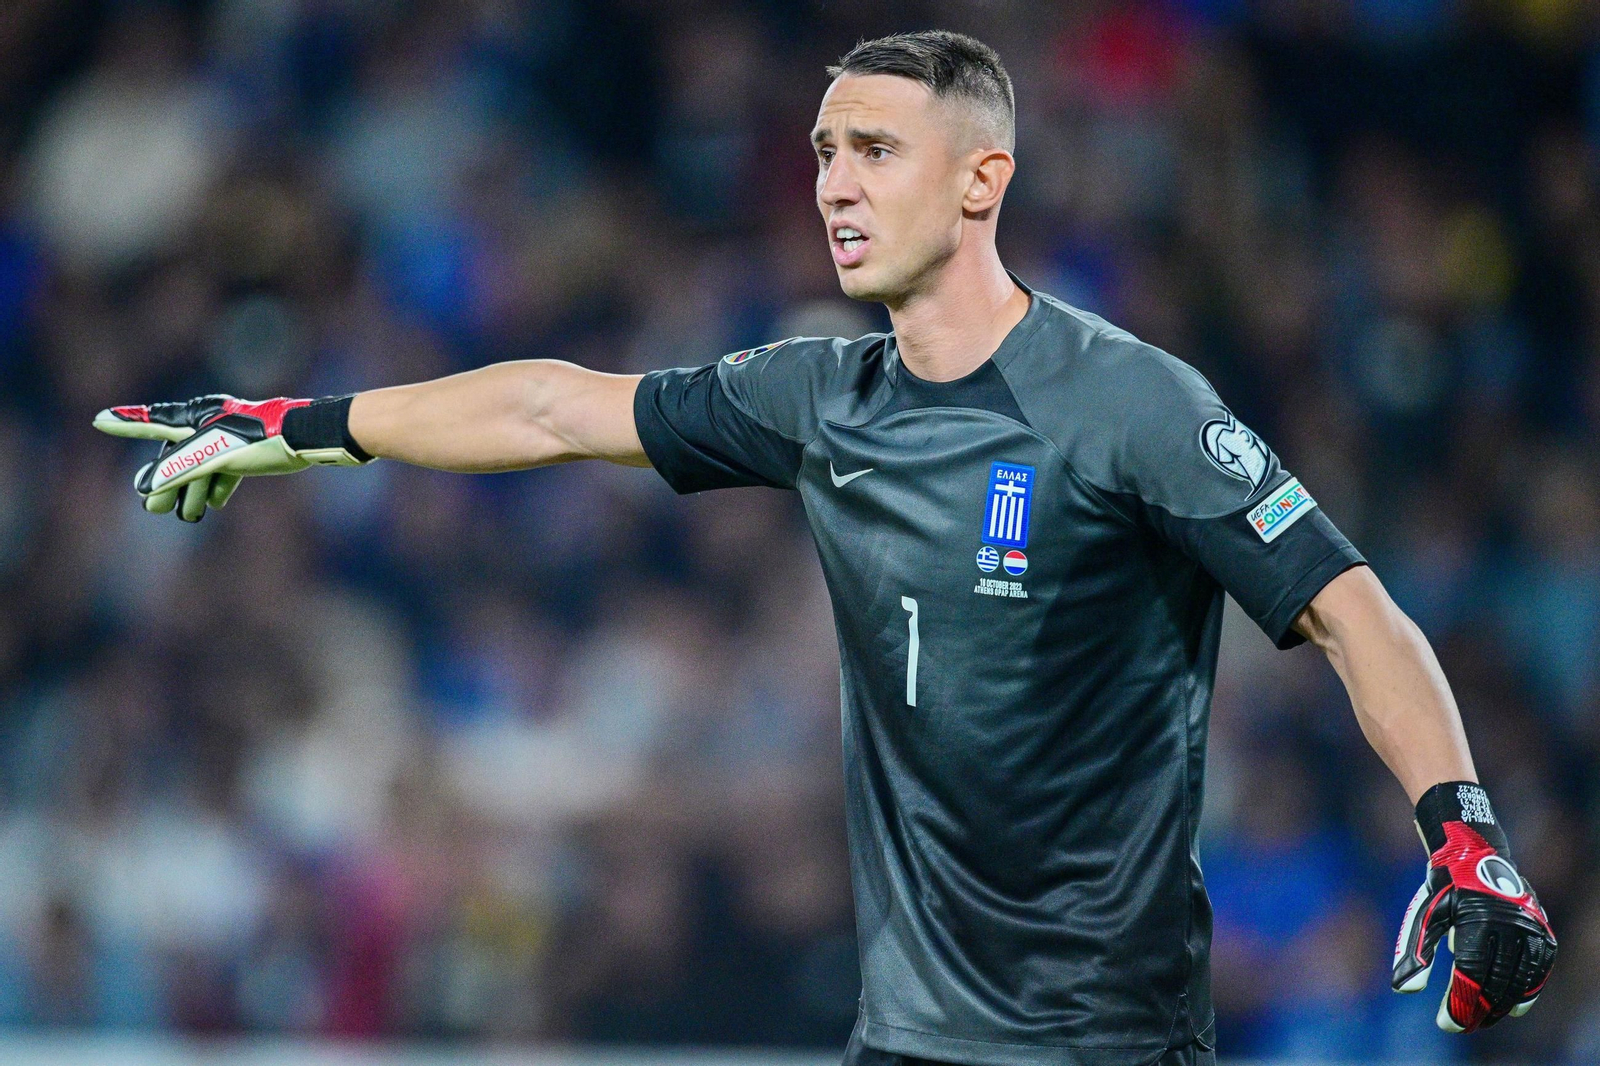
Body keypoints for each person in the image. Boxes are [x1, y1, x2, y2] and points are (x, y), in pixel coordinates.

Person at [96, 30, 1555, 1066]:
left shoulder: (1133, 406)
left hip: (1098, 1045)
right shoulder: (822, 397)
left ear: (982, 181)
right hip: (903, 1037)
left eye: (875, 150)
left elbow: (1356, 610)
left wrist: (1466, 832)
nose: (834, 183)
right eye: (822, 152)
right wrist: (305, 419)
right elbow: (551, 404)